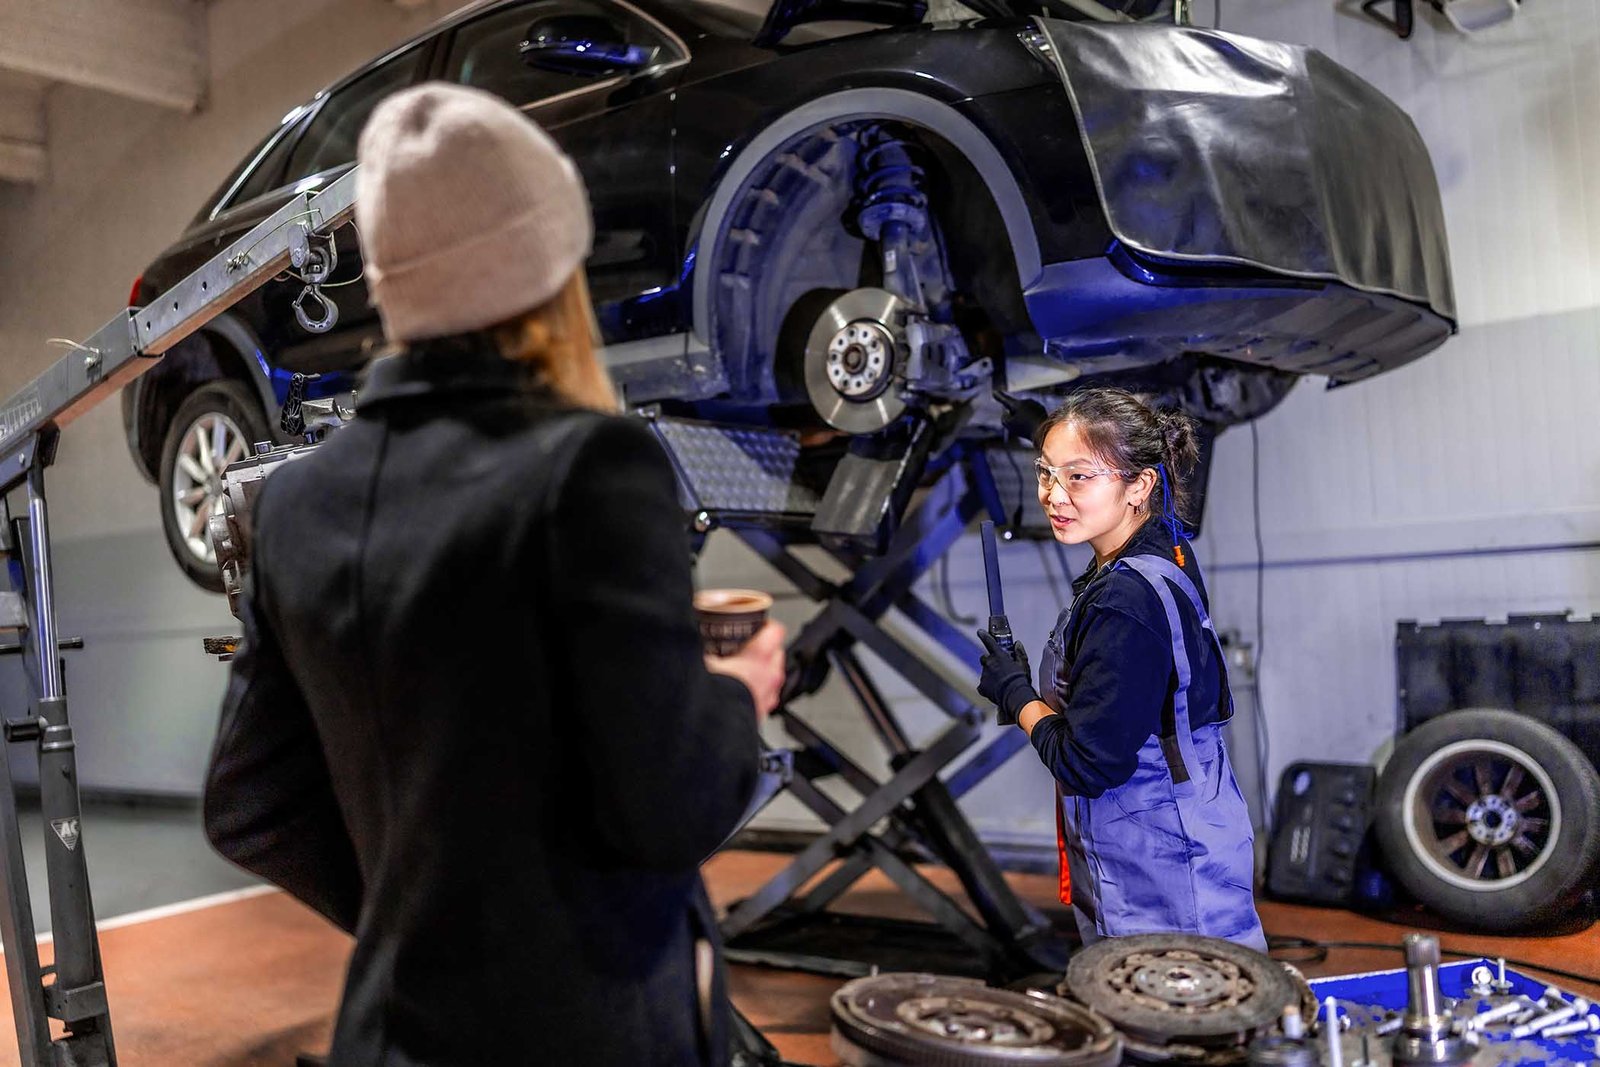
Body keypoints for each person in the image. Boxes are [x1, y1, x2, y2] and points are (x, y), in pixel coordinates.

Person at [202, 83, 786, 1066]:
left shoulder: (291, 505)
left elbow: (248, 802)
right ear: (549, 262)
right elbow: (668, 807)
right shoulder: (591, 468)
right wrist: (734, 692)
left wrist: (423, 922)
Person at [976, 387, 1265, 950]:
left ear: (1140, 485)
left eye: (1078, 478)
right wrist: (1055, 434)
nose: (1052, 496)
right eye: (1044, 473)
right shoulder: (1167, 550)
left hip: (1159, 871)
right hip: (1190, 836)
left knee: (1175, 1021)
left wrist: (1015, 694)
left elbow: (1087, 764)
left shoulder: (1124, 602)